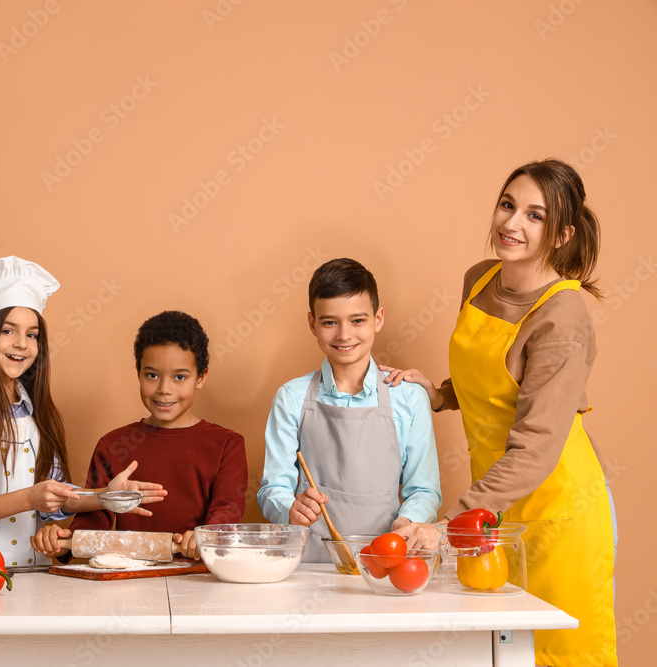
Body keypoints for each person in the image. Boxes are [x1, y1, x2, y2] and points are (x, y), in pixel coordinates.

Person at [383, 159, 616, 666]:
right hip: (493, 507)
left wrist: (449, 523)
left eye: (536, 216)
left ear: (562, 234)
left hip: (556, 508)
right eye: (508, 205)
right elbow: (496, 382)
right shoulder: (480, 279)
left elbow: (536, 448)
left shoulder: (563, 318)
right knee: (494, 649)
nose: (512, 224)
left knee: (556, 656)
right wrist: (439, 393)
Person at [0, 256, 163, 567]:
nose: (21, 344)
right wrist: (27, 498)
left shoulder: (39, 410)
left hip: (34, 571)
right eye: (8, 331)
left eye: (32, 334)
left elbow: (52, 501)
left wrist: (107, 495)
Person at [258, 258, 442, 562]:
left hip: (387, 561)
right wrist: (289, 509)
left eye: (358, 320)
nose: (344, 335)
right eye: (330, 322)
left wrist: (406, 521)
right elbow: (272, 488)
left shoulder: (409, 398)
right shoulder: (290, 398)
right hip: (308, 564)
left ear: (378, 319)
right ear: (312, 323)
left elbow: (424, 489)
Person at [32, 310, 247, 560]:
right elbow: (94, 518)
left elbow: (227, 510)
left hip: (199, 579)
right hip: (130, 581)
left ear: (201, 377)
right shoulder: (113, 445)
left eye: (180, 377)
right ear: (138, 372)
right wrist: (67, 542)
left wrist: (207, 536)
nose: (164, 389)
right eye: (152, 375)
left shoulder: (227, 445)